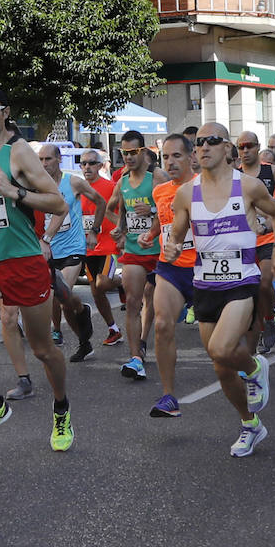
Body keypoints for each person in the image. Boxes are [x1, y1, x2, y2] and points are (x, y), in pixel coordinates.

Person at [0, 86, 73, 451]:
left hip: (23, 263)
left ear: (5, 113)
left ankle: (61, 408)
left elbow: (58, 203)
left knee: (42, 350)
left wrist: (14, 191)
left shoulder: (18, 152)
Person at [160, 122, 275, 457]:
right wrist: (172, 248)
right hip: (206, 284)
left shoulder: (248, 186)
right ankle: (250, 425)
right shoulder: (187, 193)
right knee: (220, 364)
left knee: (220, 347)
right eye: (199, 142)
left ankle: (256, 367)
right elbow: (176, 235)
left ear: (228, 148)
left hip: (241, 279)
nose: (203, 147)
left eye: (212, 141)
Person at [144, 132, 198, 417]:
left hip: (205, 268)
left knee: (219, 345)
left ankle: (249, 364)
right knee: (163, 324)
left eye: (177, 155)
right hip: (170, 266)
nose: (171, 162)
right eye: (167, 157)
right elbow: (162, 219)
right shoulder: (161, 190)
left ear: (192, 157)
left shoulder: (204, 186)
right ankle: (168, 396)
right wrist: (151, 234)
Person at [107, 134, 168, 380]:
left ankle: (144, 340)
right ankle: (135, 358)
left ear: (144, 152)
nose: (129, 157)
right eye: (125, 153)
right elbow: (113, 208)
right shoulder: (122, 180)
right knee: (132, 301)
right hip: (134, 249)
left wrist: (153, 209)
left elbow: (173, 207)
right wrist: (120, 228)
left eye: (133, 152)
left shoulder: (158, 177)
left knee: (156, 301)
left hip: (160, 250)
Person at [37, 143, 98, 363]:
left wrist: (94, 231)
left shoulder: (72, 182)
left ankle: (80, 321)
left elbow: (100, 202)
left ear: (59, 159)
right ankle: (82, 330)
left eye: (48, 159)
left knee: (61, 296)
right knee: (58, 299)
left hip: (73, 248)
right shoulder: (36, 186)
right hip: (49, 251)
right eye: (41, 160)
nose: (44, 164)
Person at [236, 132, 275, 356]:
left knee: (265, 283)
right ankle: (260, 326)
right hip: (245, 240)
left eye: (249, 146)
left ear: (258, 147)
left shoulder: (272, 172)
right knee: (250, 291)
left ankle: (268, 320)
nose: (245, 150)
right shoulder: (233, 176)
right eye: (241, 147)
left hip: (268, 238)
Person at [76, 149, 119, 345]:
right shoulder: (79, 188)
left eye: (91, 163)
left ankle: (122, 282)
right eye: (83, 163)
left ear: (100, 166)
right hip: (88, 247)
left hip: (109, 244)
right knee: (96, 292)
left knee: (103, 283)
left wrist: (123, 232)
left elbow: (123, 212)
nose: (87, 167)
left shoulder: (111, 187)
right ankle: (113, 329)